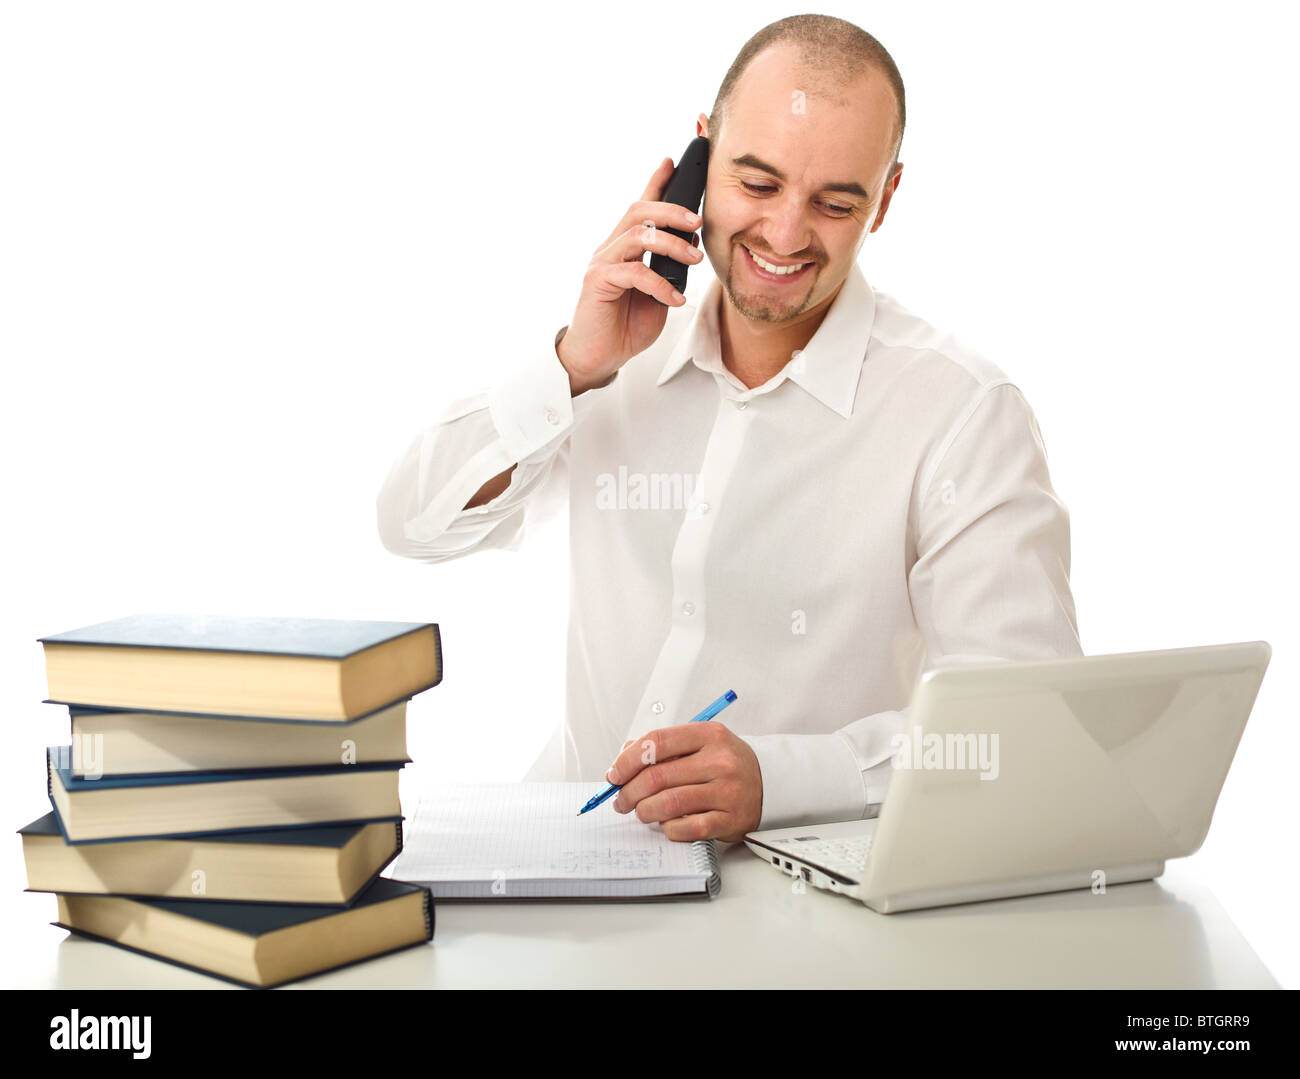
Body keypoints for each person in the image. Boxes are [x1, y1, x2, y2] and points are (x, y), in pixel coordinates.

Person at [376, 14, 1081, 844]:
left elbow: (1021, 724)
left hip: (791, 903)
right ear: (701, 155)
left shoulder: (962, 412)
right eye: (756, 183)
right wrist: (571, 367)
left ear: (885, 199)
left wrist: (780, 778)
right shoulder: (618, 348)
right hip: (566, 866)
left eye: (835, 201)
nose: (785, 235)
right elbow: (414, 525)